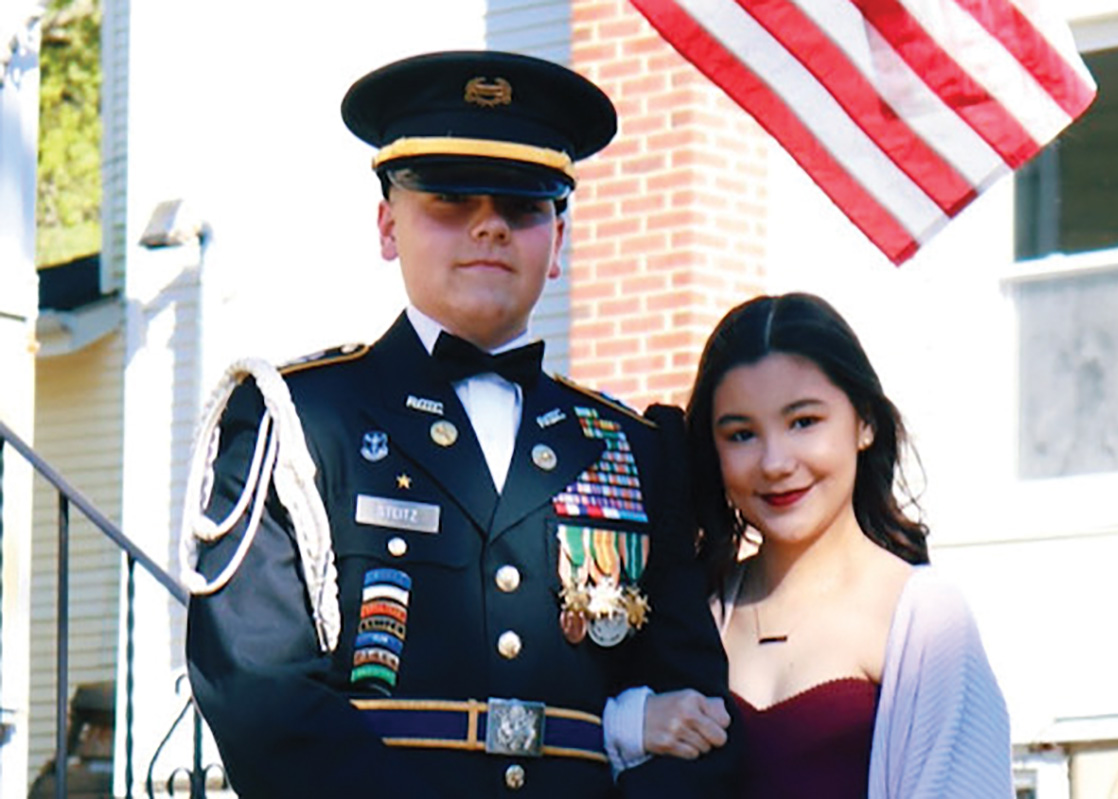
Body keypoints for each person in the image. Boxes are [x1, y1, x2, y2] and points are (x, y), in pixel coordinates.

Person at [181, 50, 738, 798]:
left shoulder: (635, 452)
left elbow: (697, 717)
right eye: (449, 200)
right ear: (387, 225)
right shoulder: (297, 425)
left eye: (522, 205)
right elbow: (259, 696)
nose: (489, 228)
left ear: (559, 241)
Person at [623, 293, 1014, 797]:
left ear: (865, 422)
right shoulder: (694, 612)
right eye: (741, 434)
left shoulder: (925, 618)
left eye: (803, 422)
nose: (775, 462)